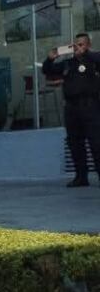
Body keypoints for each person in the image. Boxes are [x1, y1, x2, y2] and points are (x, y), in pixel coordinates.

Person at [42, 33, 100, 187]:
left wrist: (86, 53)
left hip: (90, 106)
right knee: (75, 143)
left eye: (81, 44)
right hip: (72, 108)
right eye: (76, 44)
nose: (77, 47)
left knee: (96, 142)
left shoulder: (93, 60)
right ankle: (81, 177)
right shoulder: (68, 63)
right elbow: (48, 71)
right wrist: (50, 58)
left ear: (88, 45)